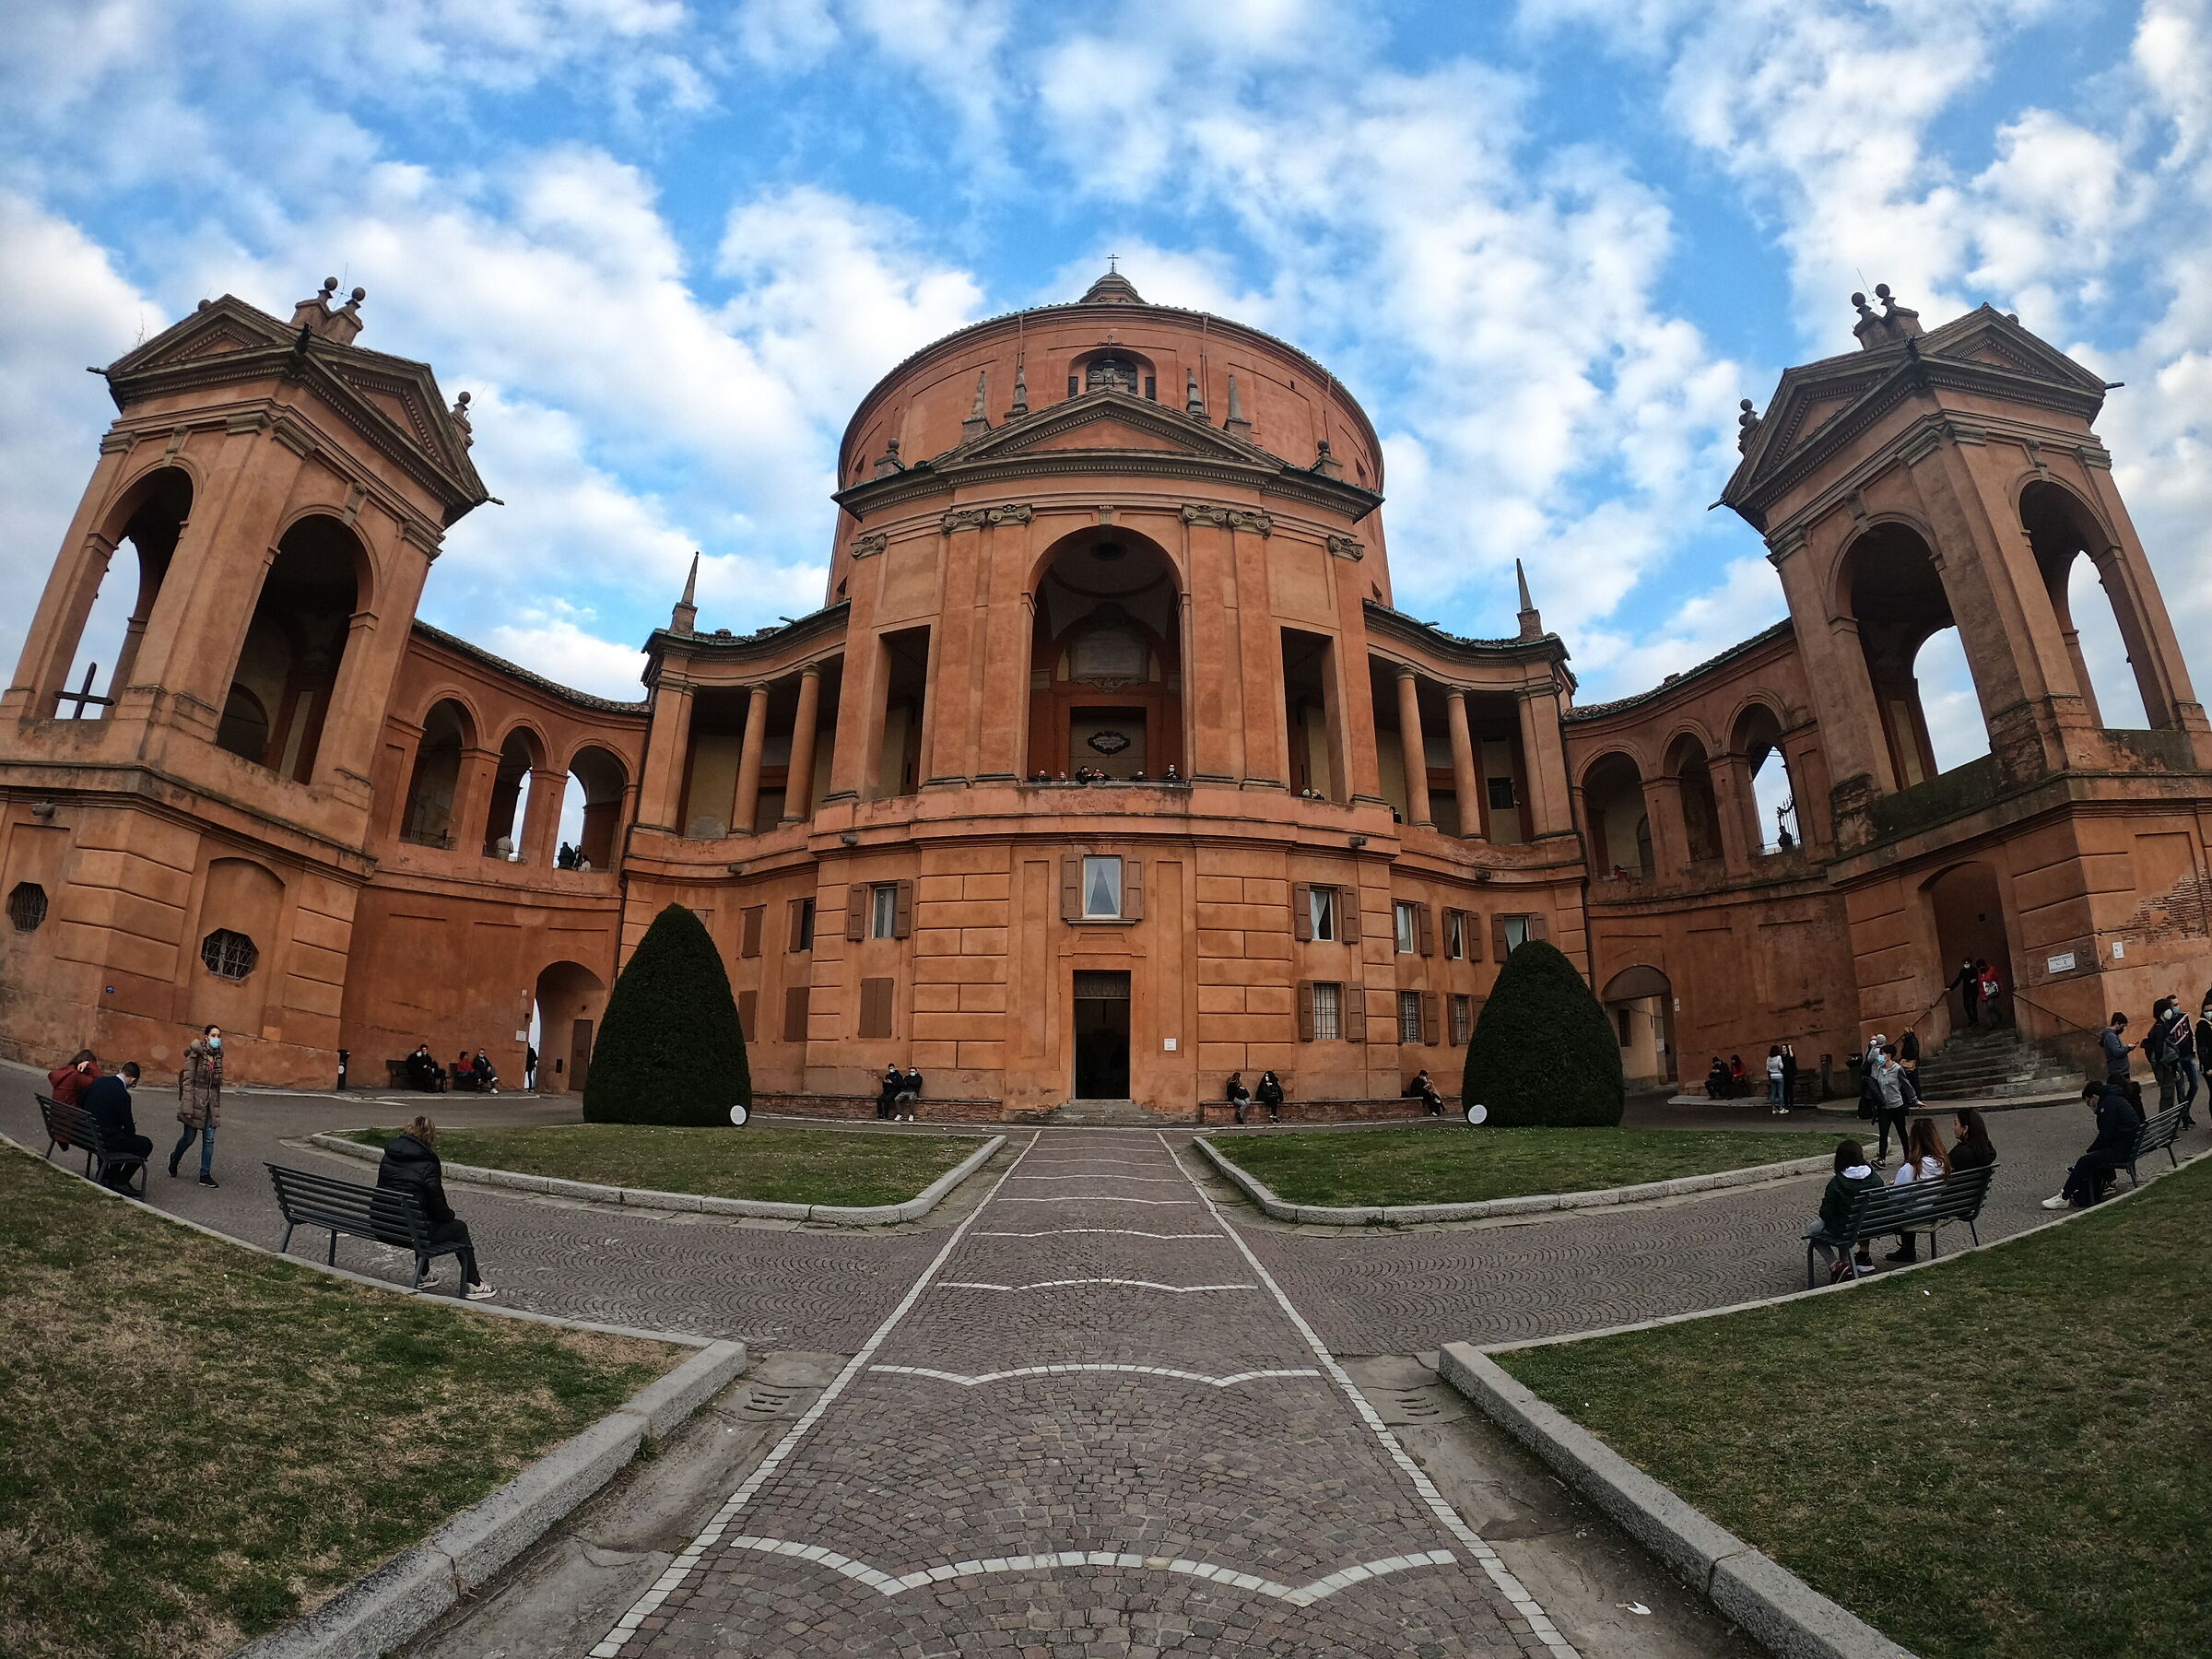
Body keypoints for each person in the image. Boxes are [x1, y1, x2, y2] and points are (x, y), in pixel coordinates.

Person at [375, 1116, 496, 1299]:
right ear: (430, 1137)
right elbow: (439, 1208)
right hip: (409, 1232)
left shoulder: (389, 1155)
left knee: (417, 1218)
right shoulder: (428, 1164)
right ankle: (474, 1283)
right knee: (458, 1228)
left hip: (381, 1225)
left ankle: (424, 1275)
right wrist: (450, 1216)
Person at [2043, 1081, 2146, 1210]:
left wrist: (2090, 1151)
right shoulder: (2115, 1099)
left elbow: (2106, 1135)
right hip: (2129, 1146)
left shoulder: (2107, 1106)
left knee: (2085, 1160)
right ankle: (2103, 1183)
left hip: (2123, 1150)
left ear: (2095, 1097)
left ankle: (2064, 1197)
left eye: (2088, 1102)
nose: (2089, 1106)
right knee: (2094, 1156)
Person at [1810, 1138, 1882, 1282]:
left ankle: (1836, 1265)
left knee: (1812, 1229)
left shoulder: (1837, 1183)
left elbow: (1826, 1214)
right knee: (1846, 1225)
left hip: (1847, 1228)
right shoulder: (1876, 1178)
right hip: (1872, 1226)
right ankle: (1847, 1264)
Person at [1884, 1117, 1951, 1263]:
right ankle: (1907, 1249)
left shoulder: (1910, 1168)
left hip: (1911, 1215)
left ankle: (1863, 1256)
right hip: (1930, 1210)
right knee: (1912, 1200)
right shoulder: (1942, 1164)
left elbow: (1895, 1199)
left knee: (1897, 1202)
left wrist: (1891, 1188)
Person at [80, 1062, 151, 1194]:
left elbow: (81, 1100)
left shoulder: (98, 1082)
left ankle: (108, 1176)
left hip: (87, 1134)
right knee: (145, 1144)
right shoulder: (123, 1095)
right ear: (133, 1080)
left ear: (121, 1070)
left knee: (119, 1138)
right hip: (105, 1139)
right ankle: (120, 1180)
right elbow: (130, 1130)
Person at [170, 1023, 224, 1186]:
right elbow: (188, 1081)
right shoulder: (196, 1054)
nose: (216, 1039)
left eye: (219, 1036)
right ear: (206, 1036)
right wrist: (187, 1106)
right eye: (213, 1035)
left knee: (209, 1140)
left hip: (211, 1104)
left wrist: (216, 1104)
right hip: (195, 1101)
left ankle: (204, 1174)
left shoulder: (219, 1056)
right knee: (189, 1138)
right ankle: (175, 1157)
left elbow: (217, 1084)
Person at [45, 1048, 99, 1147]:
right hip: (69, 1125)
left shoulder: (66, 1072)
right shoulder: (76, 1077)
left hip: (57, 1122)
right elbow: (99, 1083)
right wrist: (90, 1065)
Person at [1870, 1042, 1910, 1165]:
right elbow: (1873, 1082)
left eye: (1882, 1054)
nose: (1880, 1057)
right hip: (1884, 1107)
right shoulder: (1879, 1069)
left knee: (1901, 1131)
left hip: (1897, 1105)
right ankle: (1882, 1159)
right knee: (1883, 1133)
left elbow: (1906, 1085)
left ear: (1889, 1055)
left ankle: (1908, 1156)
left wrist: (1914, 1099)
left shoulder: (1897, 1069)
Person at [2170, 996, 2198, 1130]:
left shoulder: (2184, 1017)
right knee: (2180, 1089)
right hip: (2177, 1060)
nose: (2177, 1006)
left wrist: (2193, 1051)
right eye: (2174, 1004)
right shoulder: (2167, 1023)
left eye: (2178, 1004)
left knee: (2195, 1085)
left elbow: (2191, 1034)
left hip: (2188, 1056)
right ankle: (2185, 1118)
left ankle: (2185, 1112)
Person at [1947, 1108, 1996, 1172]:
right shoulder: (1988, 1151)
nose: (1954, 1128)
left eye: (1956, 1124)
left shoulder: (1958, 1154)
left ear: (1965, 1129)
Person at [2098, 1012, 2133, 1085]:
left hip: (2120, 1071)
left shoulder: (2112, 1035)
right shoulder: (2111, 1037)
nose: (2122, 1029)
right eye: (2122, 1026)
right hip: (2119, 1072)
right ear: (2117, 1024)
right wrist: (2128, 1048)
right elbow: (2117, 1052)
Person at [1947, 958, 1982, 1028]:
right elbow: (1958, 979)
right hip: (1966, 990)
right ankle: (1971, 1019)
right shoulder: (1962, 971)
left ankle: (1975, 1020)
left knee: (1973, 1004)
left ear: (1970, 963)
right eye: (1965, 963)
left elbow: (1978, 978)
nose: (1966, 965)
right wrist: (1951, 988)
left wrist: (1975, 980)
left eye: (1967, 963)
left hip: (1974, 990)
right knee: (1966, 1005)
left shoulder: (1974, 970)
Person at [1975, 959, 2005, 1027]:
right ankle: (1990, 1024)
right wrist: (1980, 994)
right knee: (1986, 1009)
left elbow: (1998, 979)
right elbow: (1979, 984)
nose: (1981, 969)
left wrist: (2000, 989)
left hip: (1992, 991)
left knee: (1990, 1005)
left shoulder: (1992, 969)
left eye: (1981, 967)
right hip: (1984, 992)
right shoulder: (1980, 974)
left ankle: (1999, 1015)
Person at [1765, 1045, 1785, 1113]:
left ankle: (1773, 1108)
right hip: (1779, 1076)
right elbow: (1781, 1067)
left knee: (1773, 1093)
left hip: (1772, 1076)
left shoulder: (1768, 1058)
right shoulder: (1778, 1057)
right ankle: (1781, 1108)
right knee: (1780, 1092)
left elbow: (1767, 1069)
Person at [1780, 1041, 1799, 1112]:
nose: (1783, 1049)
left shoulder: (1789, 1056)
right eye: (1782, 1048)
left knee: (1790, 1090)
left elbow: (1792, 1057)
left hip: (1789, 1075)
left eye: (1785, 1048)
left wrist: (1790, 1048)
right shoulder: (1780, 1057)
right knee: (1784, 1091)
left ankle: (1791, 1104)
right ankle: (1786, 1104)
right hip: (1783, 1075)